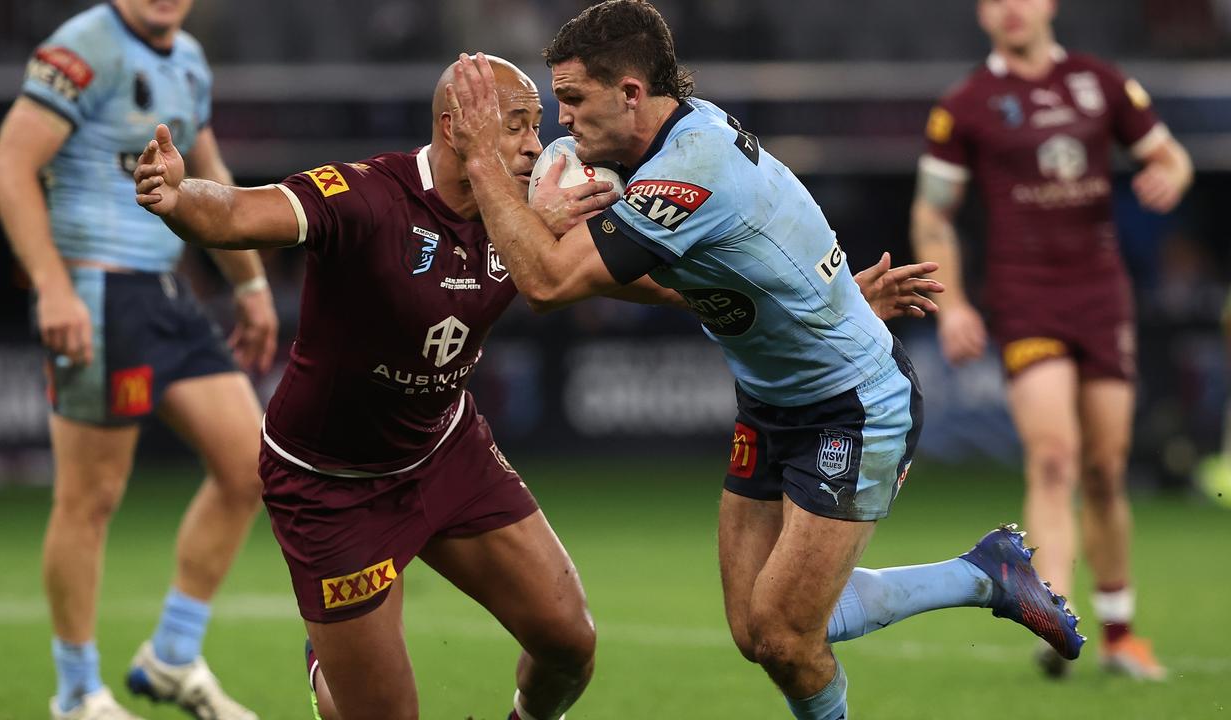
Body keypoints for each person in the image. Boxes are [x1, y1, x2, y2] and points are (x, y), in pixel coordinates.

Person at [133, 49, 953, 719]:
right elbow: (240, 212)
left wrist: (821, 302)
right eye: (517, 124)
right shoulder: (367, 197)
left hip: (445, 454)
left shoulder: (526, 211)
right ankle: (331, 666)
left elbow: (659, 282)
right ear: (456, 127)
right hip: (331, 484)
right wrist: (179, 199)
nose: (537, 143)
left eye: (538, 122)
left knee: (570, 643)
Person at [441, 1, 1084, 717]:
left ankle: (984, 578)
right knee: (756, 627)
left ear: (630, 92)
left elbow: (548, 283)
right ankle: (985, 574)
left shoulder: (691, 169)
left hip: (854, 403)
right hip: (771, 403)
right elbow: (703, 268)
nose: (562, 121)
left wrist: (478, 158)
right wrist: (829, 291)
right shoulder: (675, 143)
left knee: (785, 636)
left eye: (572, 99)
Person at [0, 2, 271, 718]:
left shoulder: (191, 60)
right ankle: (77, 691)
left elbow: (208, 171)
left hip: (167, 291)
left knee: (251, 466)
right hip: (96, 289)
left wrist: (252, 283)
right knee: (92, 498)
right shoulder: (84, 44)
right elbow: (10, 167)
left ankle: (172, 656)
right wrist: (53, 286)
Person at [910, 0, 1192, 680]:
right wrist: (954, 307)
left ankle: (1120, 632)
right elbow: (933, 211)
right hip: (1025, 297)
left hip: (1100, 296)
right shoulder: (966, 104)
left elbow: (1170, 156)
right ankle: (1054, 611)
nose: (1011, 8)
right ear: (982, 14)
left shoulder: (1099, 81)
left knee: (1103, 468)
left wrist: (1170, 176)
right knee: (1056, 455)